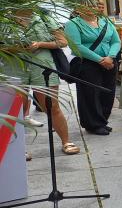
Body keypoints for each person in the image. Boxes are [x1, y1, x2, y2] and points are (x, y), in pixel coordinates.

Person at [7, 10, 79, 154]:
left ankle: (66, 141)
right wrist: (16, 48)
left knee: (51, 105)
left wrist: (40, 44)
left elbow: (63, 42)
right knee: (14, 109)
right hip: (14, 66)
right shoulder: (5, 15)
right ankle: (17, 150)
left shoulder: (43, 15)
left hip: (43, 65)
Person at [64, 1, 121, 136]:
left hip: (109, 61)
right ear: (78, 8)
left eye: (93, 6)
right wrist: (100, 60)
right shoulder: (73, 24)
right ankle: (92, 124)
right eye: (86, 6)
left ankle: (102, 120)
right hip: (88, 63)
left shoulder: (105, 22)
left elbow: (116, 41)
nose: (91, 8)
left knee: (108, 92)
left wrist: (111, 56)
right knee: (90, 94)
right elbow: (76, 46)